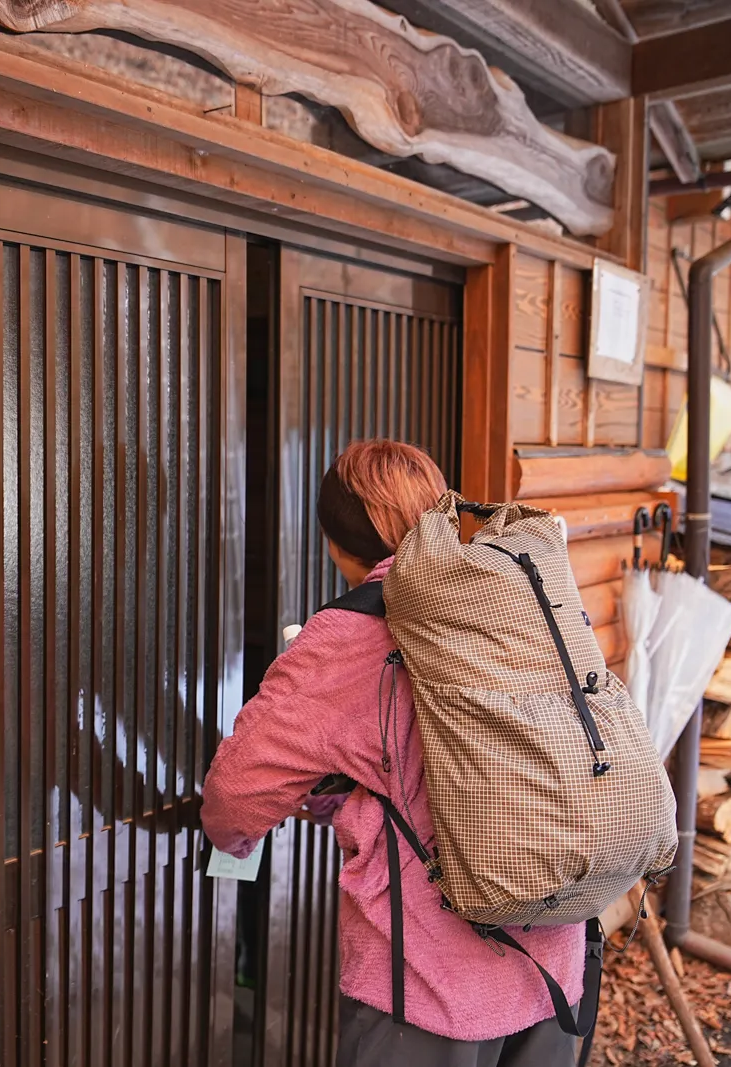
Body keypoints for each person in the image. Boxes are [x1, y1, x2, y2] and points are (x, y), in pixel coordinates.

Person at [201, 440, 586, 1067]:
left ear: (335, 544)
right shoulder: (519, 594)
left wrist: (233, 844)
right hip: (554, 956)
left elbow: (237, 794)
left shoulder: (352, 635)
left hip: (431, 986)